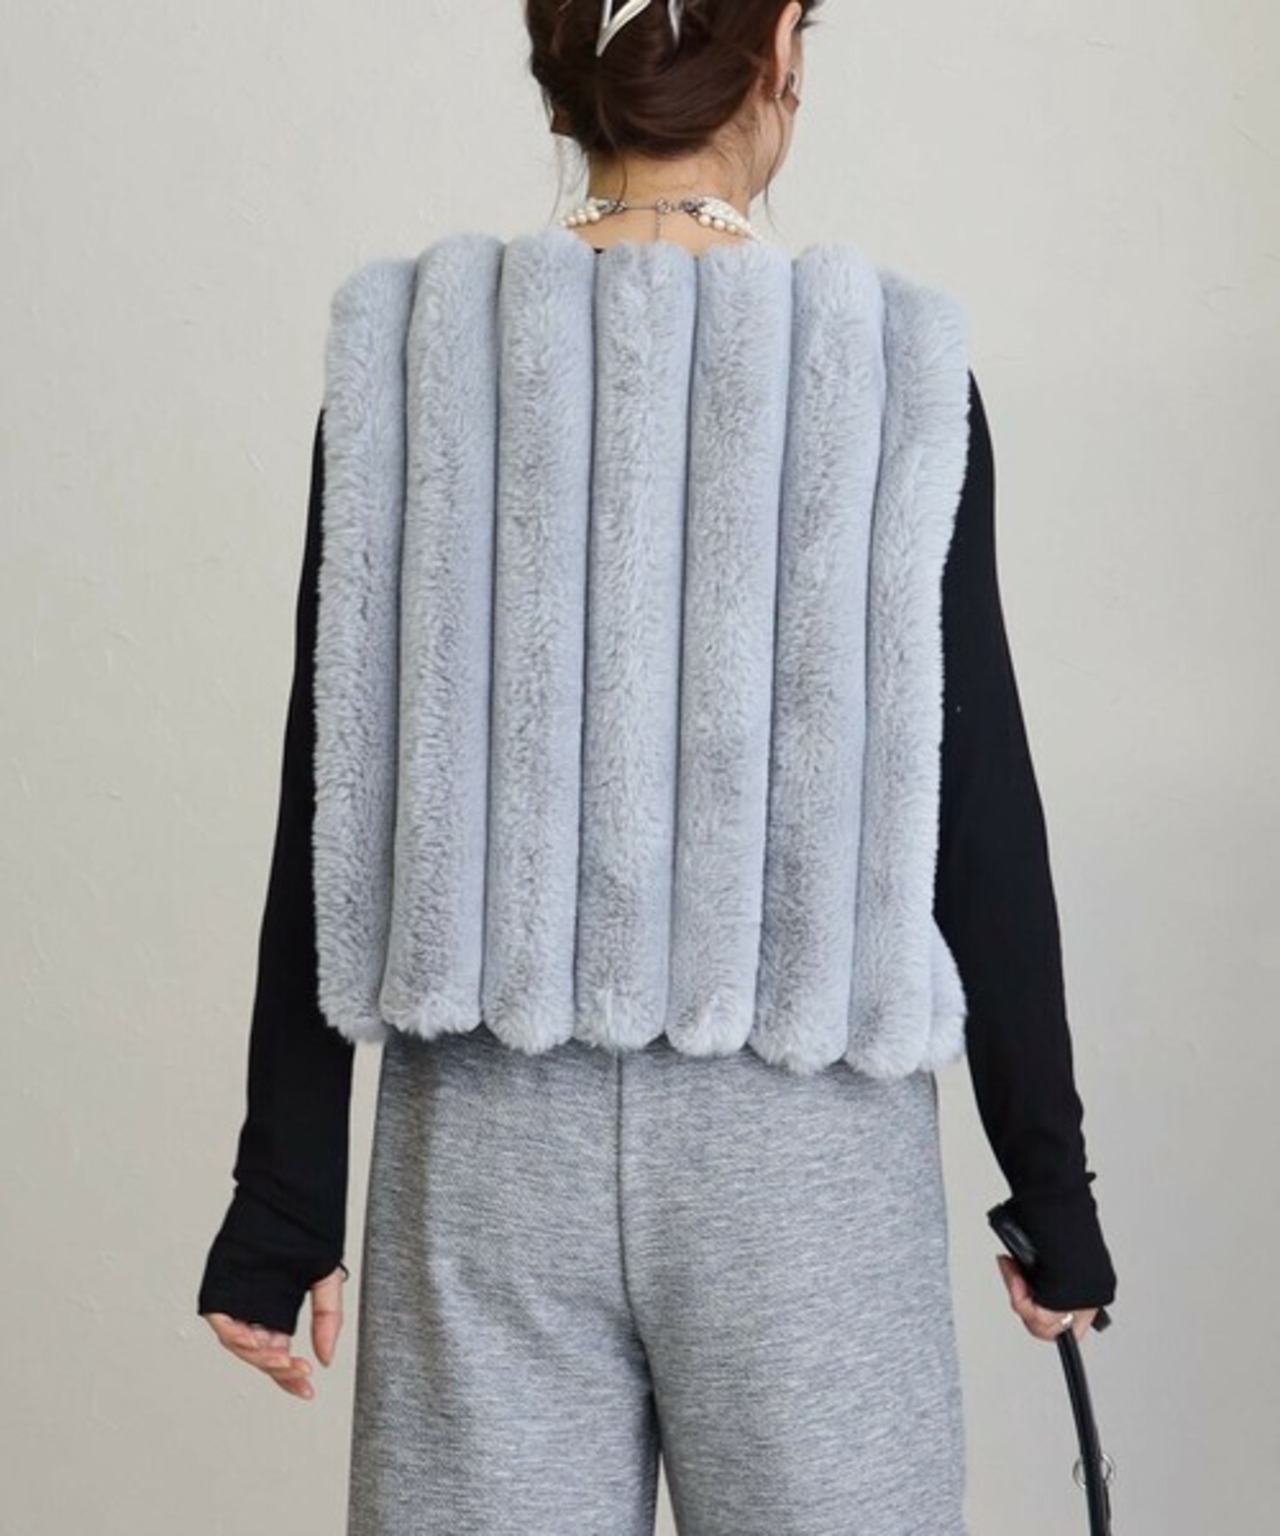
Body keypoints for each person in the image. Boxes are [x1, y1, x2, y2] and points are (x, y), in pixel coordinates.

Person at [199, 1, 1118, 1531]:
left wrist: (283, 1194)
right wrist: (1053, 1189)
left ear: (571, 68)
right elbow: (976, 810)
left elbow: (336, 790)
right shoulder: (888, 371)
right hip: (802, 1159)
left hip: (485, 1142)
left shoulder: (417, 357)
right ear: (780, 55)